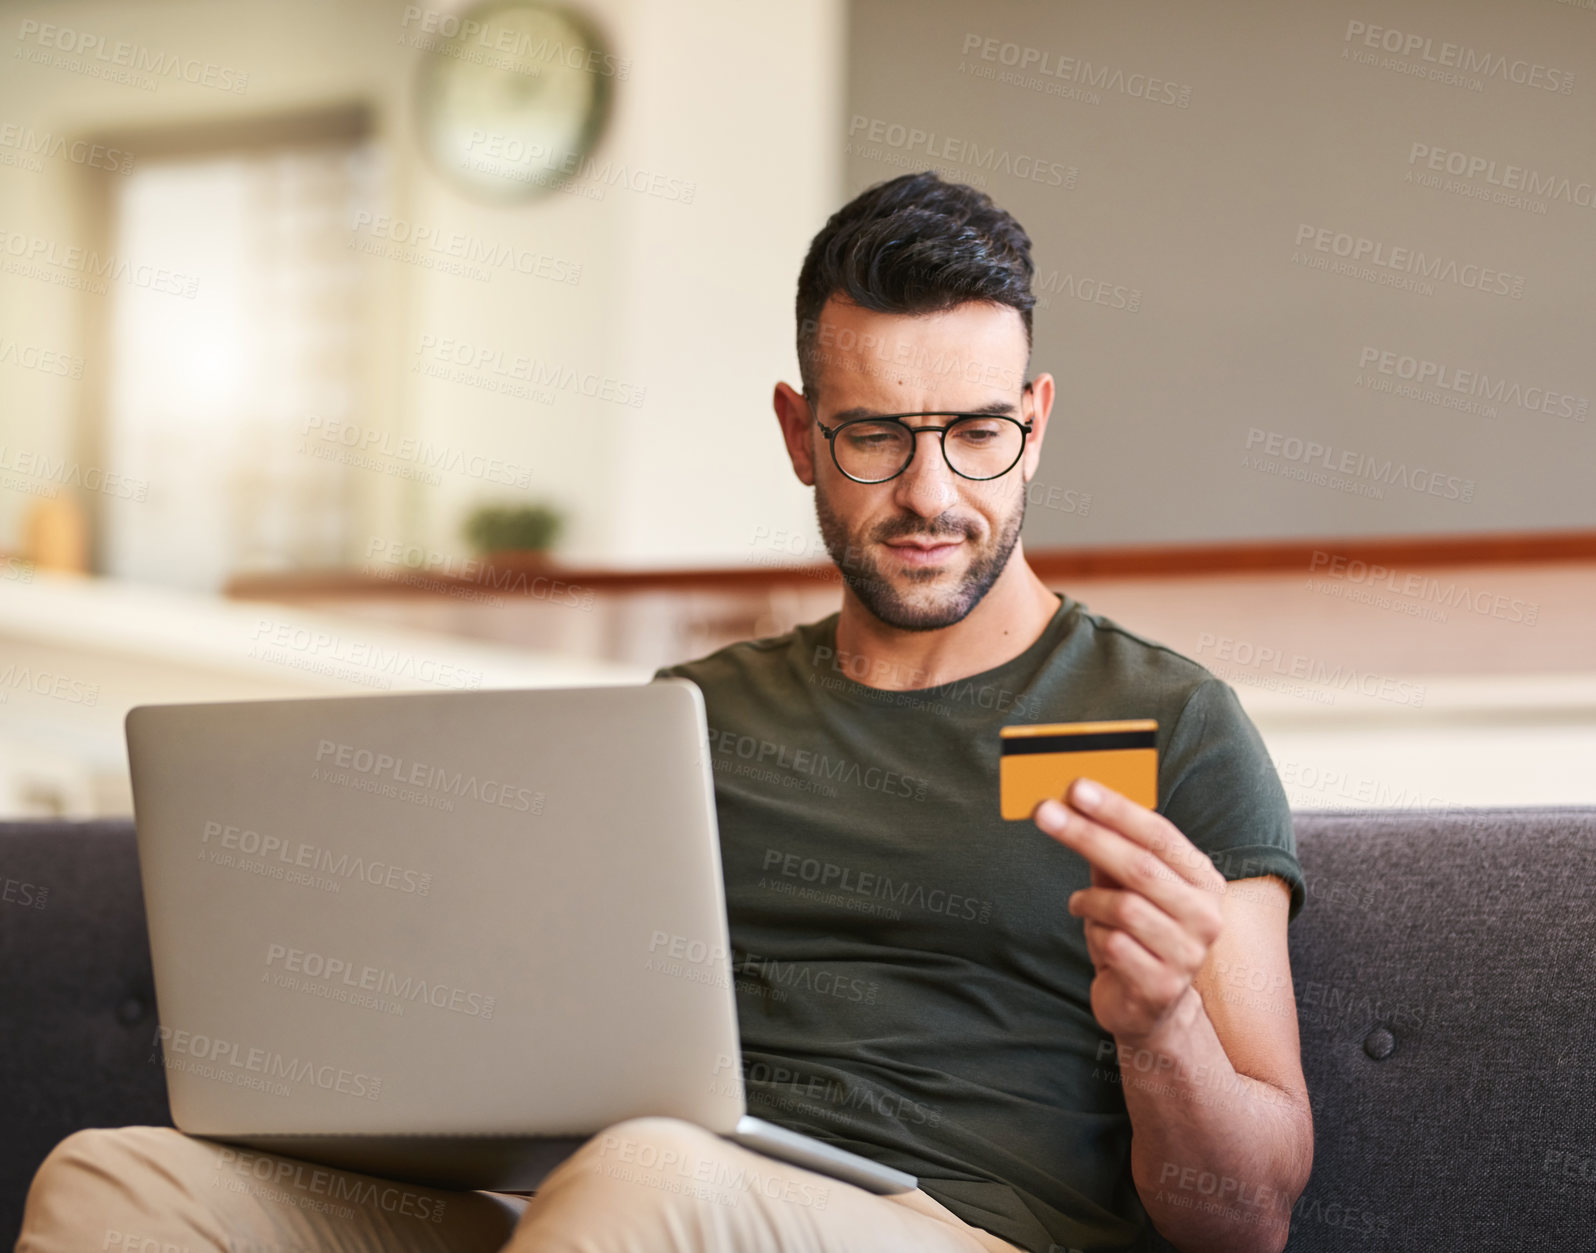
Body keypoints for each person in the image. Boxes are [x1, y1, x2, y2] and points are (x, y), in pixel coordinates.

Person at [15, 171, 1310, 1253]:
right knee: (116, 1187)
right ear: (800, 432)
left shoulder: (1169, 721)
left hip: (953, 1227)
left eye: (975, 432)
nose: (930, 493)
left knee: (646, 1181)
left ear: (1034, 422)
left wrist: (1163, 1027)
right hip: (616, 1196)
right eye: (874, 437)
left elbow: (1248, 1216)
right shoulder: (688, 720)